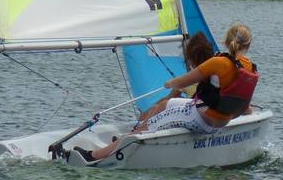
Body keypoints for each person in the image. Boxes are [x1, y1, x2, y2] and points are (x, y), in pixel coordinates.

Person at [77, 24, 258, 162]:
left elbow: (185, 80)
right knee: (163, 106)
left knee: (146, 129)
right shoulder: (248, 67)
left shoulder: (219, 62)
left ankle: (93, 156)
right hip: (220, 120)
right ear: (248, 45)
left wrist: (170, 83)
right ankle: (125, 138)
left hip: (201, 118)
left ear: (226, 41)